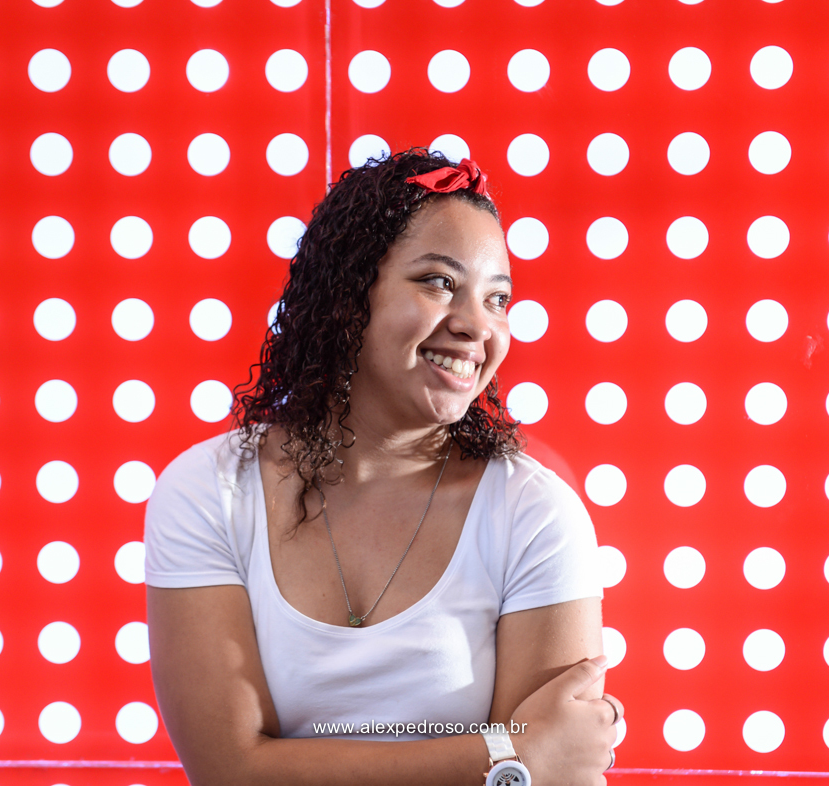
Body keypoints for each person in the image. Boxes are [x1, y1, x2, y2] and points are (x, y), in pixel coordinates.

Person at [143, 148, 623, 786]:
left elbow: (563, 772)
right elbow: (228, 770)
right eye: (439, 282)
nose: (478, 326)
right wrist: (504, 759)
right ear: (349, 293)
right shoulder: (208, 492)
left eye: (498, 298)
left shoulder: (534, 513)